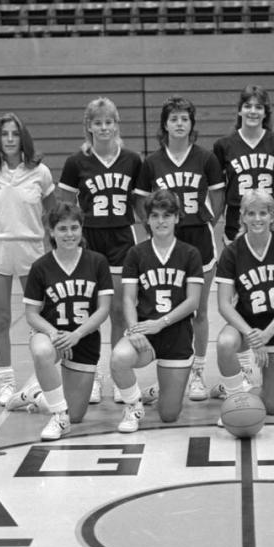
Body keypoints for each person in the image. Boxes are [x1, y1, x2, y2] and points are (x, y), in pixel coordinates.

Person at [134, 96, 224, 402]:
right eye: (174, 119)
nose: (179, 123)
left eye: (185, 118)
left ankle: (197, 372)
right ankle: (170, 375)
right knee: (168, 309)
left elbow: (218, 194)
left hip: (198, 239)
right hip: (164, 243)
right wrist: (152, 226)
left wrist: (208, 218)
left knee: (197, 310)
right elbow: (140, 200)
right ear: (165, 124)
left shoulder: (206, 158)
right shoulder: (152, 162)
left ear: (192, 124)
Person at [0, 111, 55, 406]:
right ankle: (6, 382)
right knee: (1, 319)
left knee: (38, 321)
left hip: (32, 254)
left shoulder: (40, 172)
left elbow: (53, 215)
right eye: (5, 134)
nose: (11, 139)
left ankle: (40, 380)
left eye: (15, 134)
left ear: (23, 137)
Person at [56, 97, 143, 404]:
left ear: (116, 125)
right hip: (89, 241)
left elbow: (142, 206)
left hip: (121, 239)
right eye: (98, 122)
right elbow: (64, 208)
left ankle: (119, 375)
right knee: (89, 311)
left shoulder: (133, 160)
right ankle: (90, 375)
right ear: (88, 127)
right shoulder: (75, 163)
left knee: (119, 310)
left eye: (109, 122)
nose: (104, 127)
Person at [213, 84, 274, 387]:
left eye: (258, 107)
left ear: (265, 112)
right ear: (239, 110)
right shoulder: (224, 146)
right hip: (236, 225)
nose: (253, 111)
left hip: (270, 225)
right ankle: (244, 366)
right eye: (248, 106)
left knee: (271, 287)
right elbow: (220, 189)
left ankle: (270, 341)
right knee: (236, 297)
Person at [111, 188, 204, 433]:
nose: (161, 221)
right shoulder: (136, 253)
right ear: (148, 220)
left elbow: (193, 302)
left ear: (176, 217)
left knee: (169, 415)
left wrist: (160, 323)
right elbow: (128, 299)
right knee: (119, 358)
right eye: (155, 215)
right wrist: (133, 330)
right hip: (145, 334)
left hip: (177, 335)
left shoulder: (190, 253)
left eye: (166, 215)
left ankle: (160, 390)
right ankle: (133, 406)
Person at [22, 203, 114, 440]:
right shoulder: (40, 266)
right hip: (52, 336)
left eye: (74, 227)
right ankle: (58, 417)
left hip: (83, 339)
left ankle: (35, 395)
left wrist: (76, 335)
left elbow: (103, 310)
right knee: (42, 352)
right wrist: (54, 334)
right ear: (51, 232)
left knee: (76, 415)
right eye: (62, 228)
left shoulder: (97, 262)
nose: (69, 234)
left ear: (82, 229)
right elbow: (31, 313)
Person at [211, 188, 274, 421]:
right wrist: (252, 335)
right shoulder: (232, 251)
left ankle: (241, 390)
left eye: (263, 213)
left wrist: (268, 334)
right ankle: (236, 400)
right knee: (224, 343)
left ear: (273, 216)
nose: (257, 219)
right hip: (245, 325)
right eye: (251, 213)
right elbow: (223, 304)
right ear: (242, 216)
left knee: (271, 408)